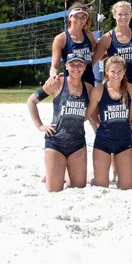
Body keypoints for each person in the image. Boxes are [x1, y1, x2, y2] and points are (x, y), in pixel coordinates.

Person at [27, 53, 93, 192]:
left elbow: (92, 114)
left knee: (79, 187)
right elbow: (31, 101)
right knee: (54, 191)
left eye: (80, 64)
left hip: (78, 144)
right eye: (72, 64)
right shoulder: (57, 83)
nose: (76, 68)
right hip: (55, 143)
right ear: (67, 66)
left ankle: (65, 174)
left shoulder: (89, 89)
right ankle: (54, 174)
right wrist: (40, 126)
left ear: (85, 66)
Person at [86, 55, 132, 190]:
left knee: (127, 186)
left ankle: (116, 173)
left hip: (124, 142)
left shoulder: (131, 89)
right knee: (101, 185)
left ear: (124, 71)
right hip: (103, 142)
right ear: (107, 71)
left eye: (119, 71)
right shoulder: (98, 90)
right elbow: (90, 113)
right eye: (113, 71)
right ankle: (87, 176)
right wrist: (98, 123)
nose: (116, 75)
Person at [92, 1, 132, 85]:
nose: (123, 17)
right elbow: (95, 59)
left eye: (126, 14)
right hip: (116, 83)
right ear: (114, 15)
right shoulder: (107, 38)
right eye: (120, 14)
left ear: (131, 14)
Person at [50, 2, 97, 85]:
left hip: (88, 82)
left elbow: (100, 55)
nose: (79, 20)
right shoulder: (60, 39)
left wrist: (114, 50)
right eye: (76, 16)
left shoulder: (89, 36)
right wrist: (53, 75)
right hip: (70, 84)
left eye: (83, 17)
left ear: (86, 19)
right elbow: (54, 65)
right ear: (70, 17)